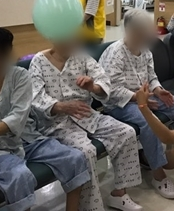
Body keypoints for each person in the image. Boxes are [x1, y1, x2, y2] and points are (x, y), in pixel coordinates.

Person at [0, 28, 90, 211]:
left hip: (29, 139)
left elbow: (17, 117)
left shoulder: (20, 76)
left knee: (75, 158)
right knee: (20, 177)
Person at [29, 39, 142, 211]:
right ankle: (91, 207)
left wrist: (93, 87)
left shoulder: (81, 57)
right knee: (86, 152)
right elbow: (35, 97)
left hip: (86, 115)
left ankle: (119, 195)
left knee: (126, 132)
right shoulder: (38, 62)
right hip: (56, 124)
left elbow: (103, 80)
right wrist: (62, 107)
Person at [99, 8, 174, 199]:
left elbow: (151, 76)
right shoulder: (116, 53)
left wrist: (158, 90)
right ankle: (158, 174)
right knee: (147, 120)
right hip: (119, 104)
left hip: (146, 96)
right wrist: (138, 99)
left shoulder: (145, 50)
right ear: (130, 31)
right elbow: (111, 90)